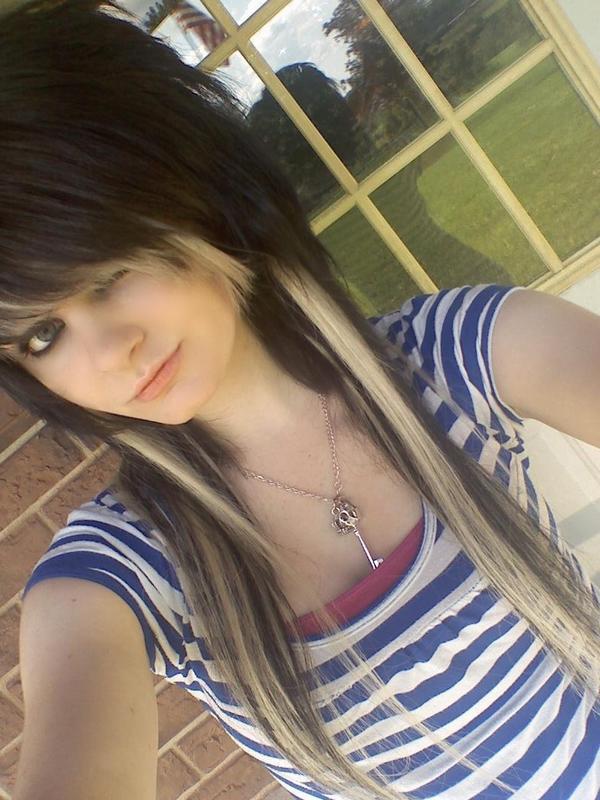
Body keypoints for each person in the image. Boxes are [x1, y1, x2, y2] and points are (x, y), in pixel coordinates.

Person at [2, 2, 599, 799]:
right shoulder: (126, 570)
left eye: (108, 275)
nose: (109, 353)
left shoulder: (459, 357)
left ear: (194, 193)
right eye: (42, 334)